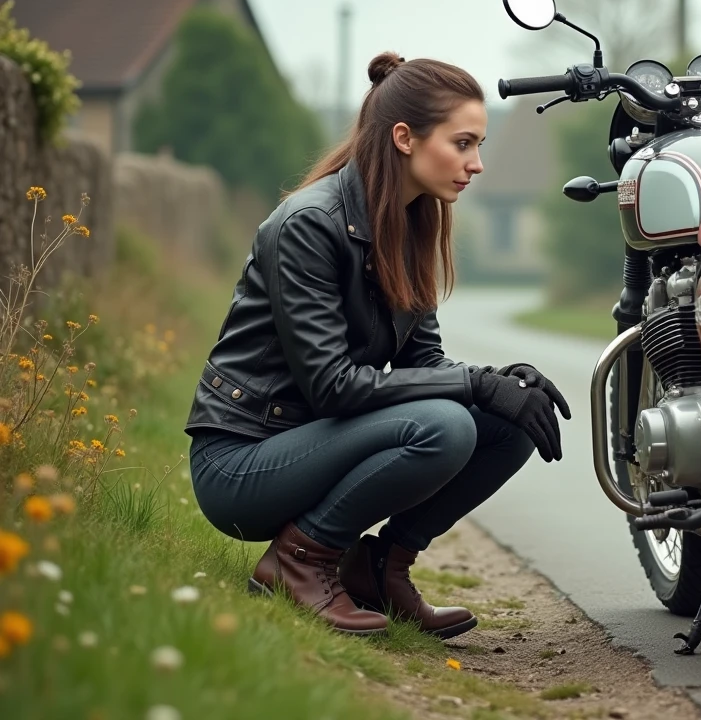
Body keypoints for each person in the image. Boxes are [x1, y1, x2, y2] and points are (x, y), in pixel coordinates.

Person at [182, 53, 571, 640]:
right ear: (404, 138)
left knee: (506, 423)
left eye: (479, 145)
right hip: (243, 462)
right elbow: (333, 385)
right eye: (463, 143)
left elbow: (425, 365)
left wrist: (498, 381)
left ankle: (380, 567)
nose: (478, 164)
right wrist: (472, 385)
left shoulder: (411, 223)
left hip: (312, 442)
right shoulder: (309, 224)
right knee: (445, 426)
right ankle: (298, 561)